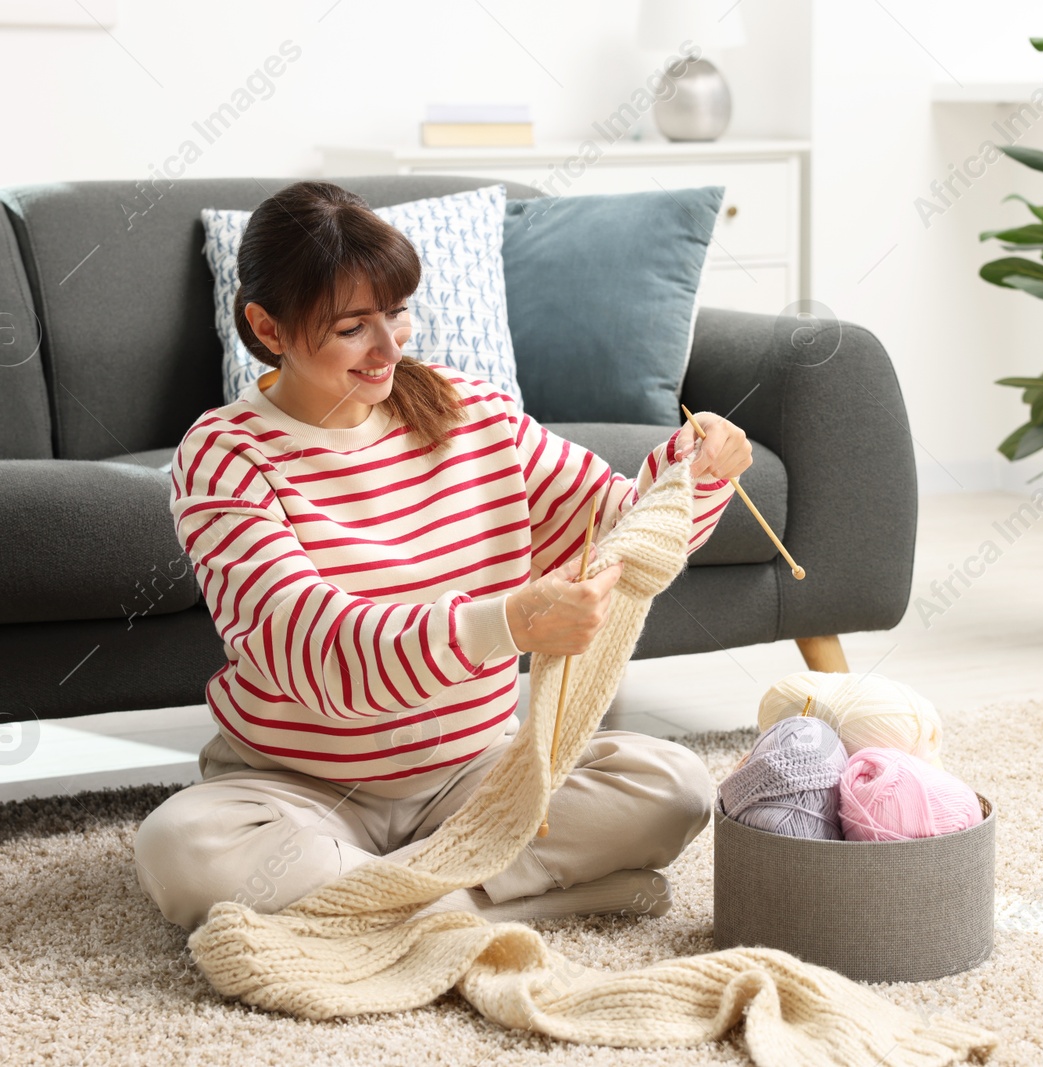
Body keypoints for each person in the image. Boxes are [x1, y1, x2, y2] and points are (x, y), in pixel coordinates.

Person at [133, 180, 752, 931]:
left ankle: (390, 906)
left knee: (673, 784)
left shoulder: (470, 411)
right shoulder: (226, 455)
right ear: (268, 327)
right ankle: (495, 897)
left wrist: (695, 469)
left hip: (471, 778)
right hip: (299, 792)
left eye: (396, 312)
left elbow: (620, 531)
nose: (392, 347)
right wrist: (506, 625)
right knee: (184, 847)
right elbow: (314, 652)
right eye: (353, 327)